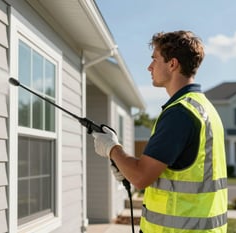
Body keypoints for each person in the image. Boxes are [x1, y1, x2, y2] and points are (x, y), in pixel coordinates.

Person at [92, 30, 227, 233]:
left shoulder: (179, 114)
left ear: (172, 64)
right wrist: (125, 167)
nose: (149, 66)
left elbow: (140, 177)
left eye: (155, 59)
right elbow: (174, 171)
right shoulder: (205, 108)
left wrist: (112, 149)